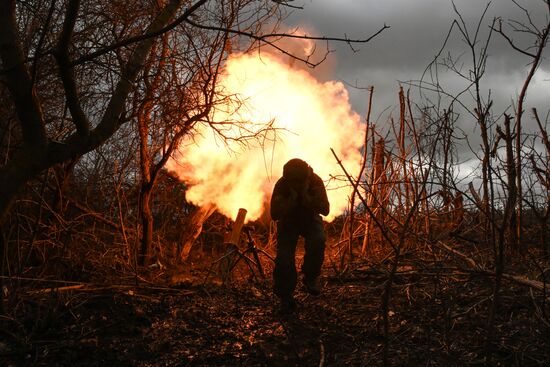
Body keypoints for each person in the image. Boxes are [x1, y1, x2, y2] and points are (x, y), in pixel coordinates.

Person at [270, 158, 330, 313]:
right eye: (292, 181)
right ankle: (285, 297)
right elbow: (274, 214)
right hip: (288, 222)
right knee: (284, 257)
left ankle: (310, 277)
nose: (295, 184)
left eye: (298, 181)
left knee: (318, 240)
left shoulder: (315, 181)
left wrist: (306, 198)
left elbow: (325, 209)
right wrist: (290, 201)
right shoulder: (282, 184)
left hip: (310, 218)